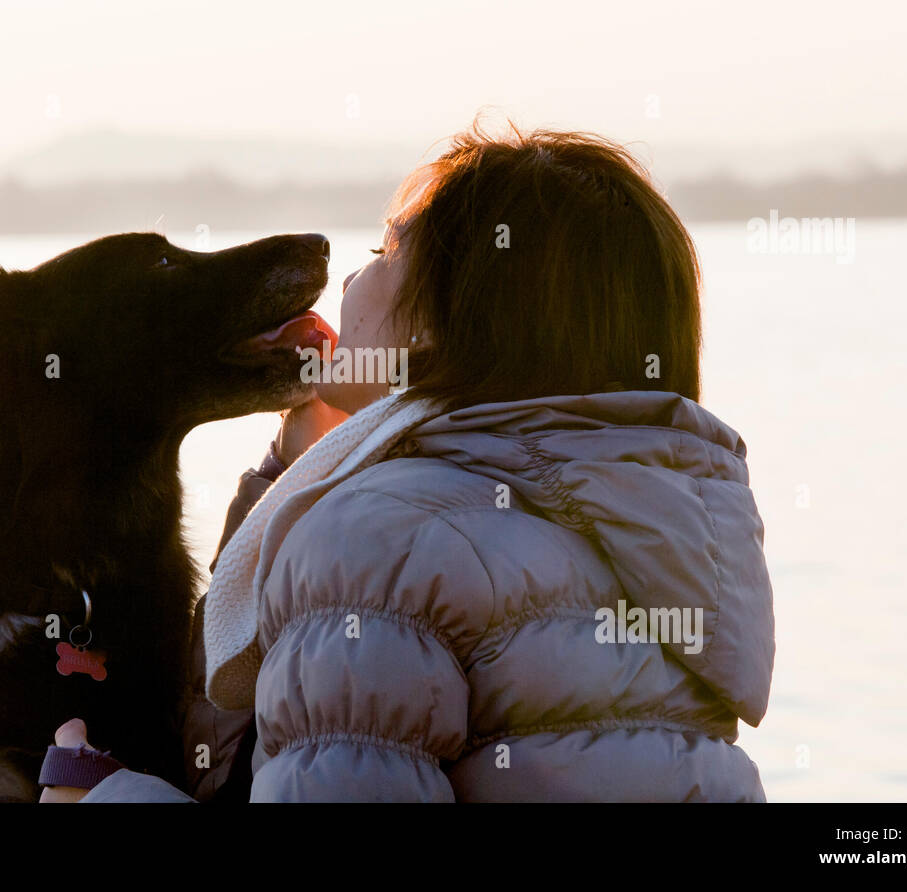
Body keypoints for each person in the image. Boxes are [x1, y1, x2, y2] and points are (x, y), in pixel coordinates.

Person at [44, 123, 775, 802]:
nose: (350, 282)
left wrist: (102, 799)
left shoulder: (377, 541)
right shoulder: (669, 533)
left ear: (443, 320)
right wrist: (295, 472)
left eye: (384, 255)